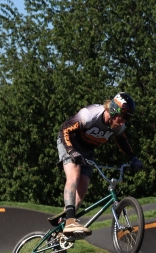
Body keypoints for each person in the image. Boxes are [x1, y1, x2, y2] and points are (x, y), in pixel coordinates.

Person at [55, 92, 143, 237]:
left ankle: (62, 227)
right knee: (75, 173)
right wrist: (71, 151)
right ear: (114, 110)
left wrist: (133, 158)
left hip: (88, 150)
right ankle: (70, 220)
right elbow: (64, 129)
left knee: (83, 186)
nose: (123, 123)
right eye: (122, 118)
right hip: (69, 142)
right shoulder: (89, 115)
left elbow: (122, 141)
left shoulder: (118, 127)